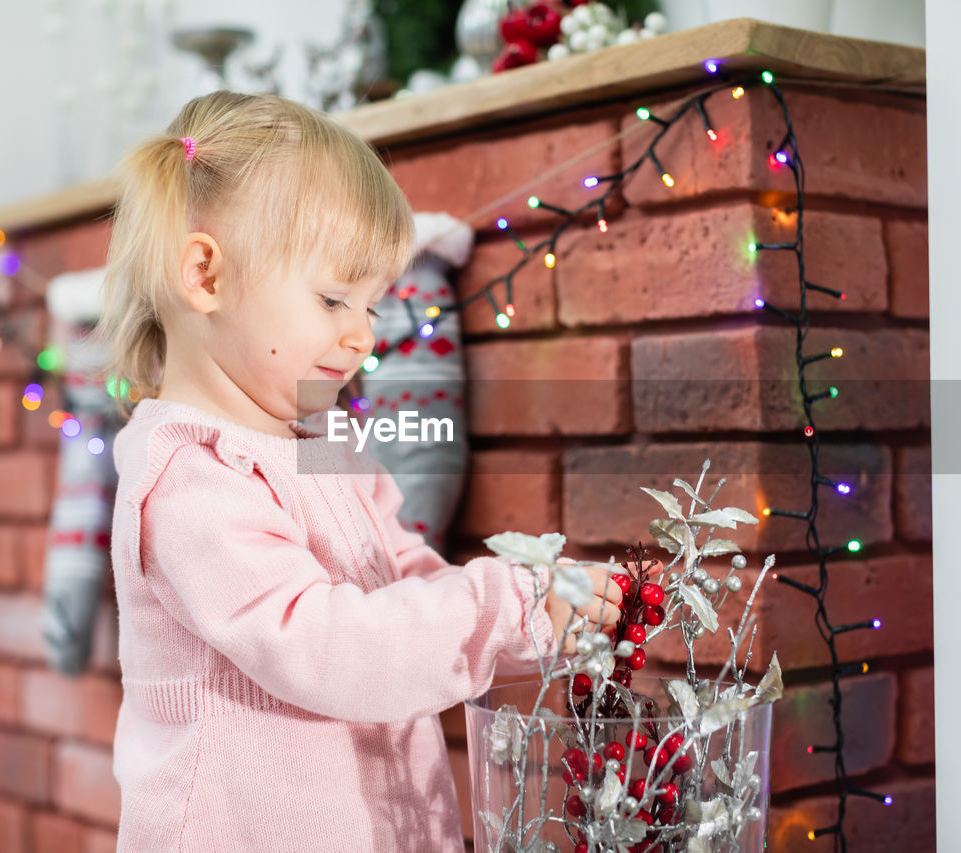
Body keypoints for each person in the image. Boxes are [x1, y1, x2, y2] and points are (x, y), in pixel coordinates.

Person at [95, 90, 633, 851]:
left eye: (374, 307)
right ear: (206, 277)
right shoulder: (190, 478)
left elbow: (399, 569)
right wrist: (503, 608)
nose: (360, 337)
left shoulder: (319, 435)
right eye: (333, 298)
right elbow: (322, 646)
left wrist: (539, 606)